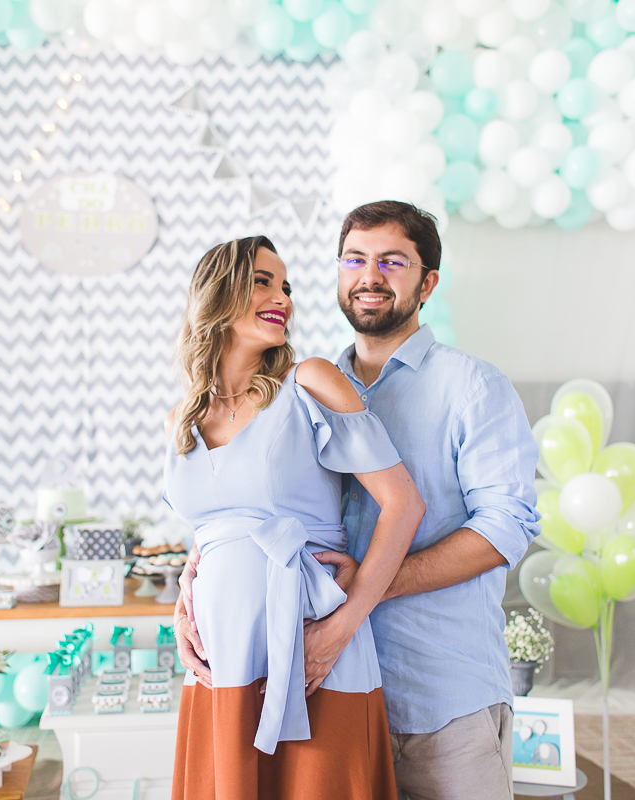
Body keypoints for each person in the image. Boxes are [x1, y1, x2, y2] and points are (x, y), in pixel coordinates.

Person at [176, 203, 540, 800]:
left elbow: (507, 526)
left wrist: (364, 591)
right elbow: (255, 509)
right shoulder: (298, 387)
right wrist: (195, 587)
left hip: (436, 693)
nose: (370, 275)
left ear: (427, 283)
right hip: (316, 687)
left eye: (392, 262)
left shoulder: (472, 387)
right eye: (355, 260)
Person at [164, 235, 426, 800]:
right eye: (262, 281)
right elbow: (213, 531)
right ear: (217, 293)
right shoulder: (183, 418)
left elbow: (404, 505)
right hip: (221, 654)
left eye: (286, 285)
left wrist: (342, 628)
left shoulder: (307, 382)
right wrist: (184, 599)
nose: (281, 296)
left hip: (310, 645)